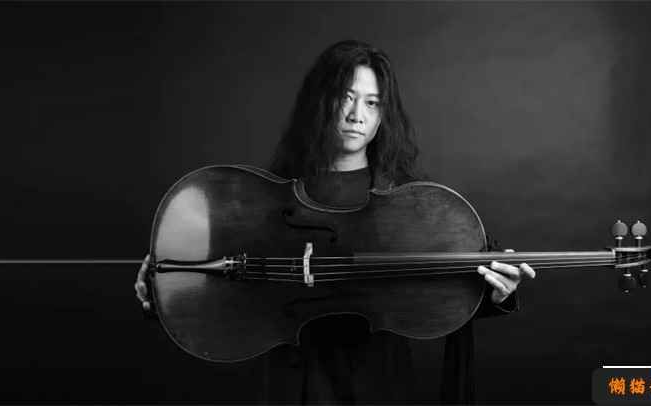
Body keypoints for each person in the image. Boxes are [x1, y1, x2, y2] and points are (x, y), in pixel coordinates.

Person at [135, 40, 535, 404]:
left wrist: (497, 293)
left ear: (383, 116)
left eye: (372, 103)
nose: (357, 115)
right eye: (346, 98)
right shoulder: (273, 194)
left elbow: (448, 286)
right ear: (321, 101)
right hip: (294, 379)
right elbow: (227, 291)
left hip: (378, 381)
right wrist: (165, 285)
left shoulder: (407, 199)